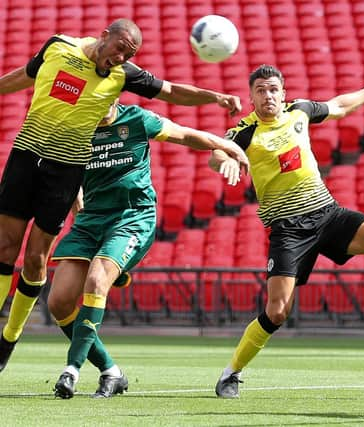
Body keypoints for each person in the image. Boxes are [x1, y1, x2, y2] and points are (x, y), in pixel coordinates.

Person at [0, 18, 242, 372]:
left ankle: (9, 337)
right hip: (25, 156)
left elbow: (172, 92)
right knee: (5, 246)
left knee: (36, 258)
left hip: (66, 169)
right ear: (104, 36)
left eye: (128, 55)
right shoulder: (59, 46)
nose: (120, 57)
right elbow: (25, 75)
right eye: (119, 48)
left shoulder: (125, 74)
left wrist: (215, 97)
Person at [208, 64, 364, 399]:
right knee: (277, 311)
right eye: (260, 90)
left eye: (273, 89)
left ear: (283, 93)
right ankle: (231, 373)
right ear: (251, 97)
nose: (268, 95)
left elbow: (341, 105)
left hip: (326, 212)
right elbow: (217, 151)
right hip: (288, 229)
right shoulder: (245, 131)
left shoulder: (300, 111)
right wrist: (225, 159)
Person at [47, 99, 248, 399]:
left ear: (114, 94)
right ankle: (112, 373)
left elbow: (183, 133)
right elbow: (70, 174)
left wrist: (228, 146)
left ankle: (71, 371)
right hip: (90, 221)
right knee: (58, 302)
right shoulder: (76, 125)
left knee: (96, 280)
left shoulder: (137, 119)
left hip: (132, 216)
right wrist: (79, 209)